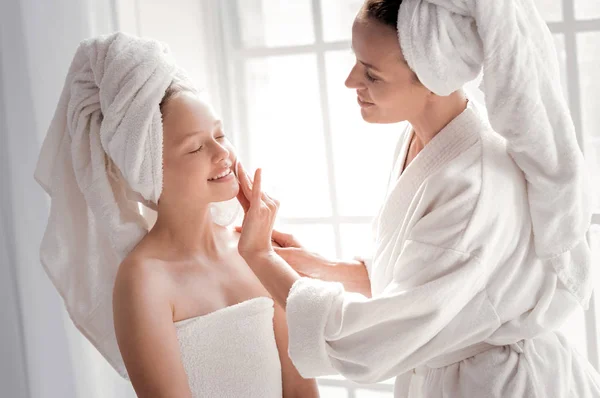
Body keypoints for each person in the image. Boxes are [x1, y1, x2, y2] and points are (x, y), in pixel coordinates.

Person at [235, 1, 600, 397]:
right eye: (358, 62)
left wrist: (259, 257)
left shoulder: (471, 185)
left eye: (372, 74)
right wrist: (321, 266)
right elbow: (431, 277)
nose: (350, 81)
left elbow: (368, 341)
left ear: (432, 79)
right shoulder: (427, 139)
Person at [34, 32, 318, 398]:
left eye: (220, 134)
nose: (223, 153)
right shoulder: (143, 279)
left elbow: (302, 389)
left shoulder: (253, 251)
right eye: (197, 147)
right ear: (150, 170)